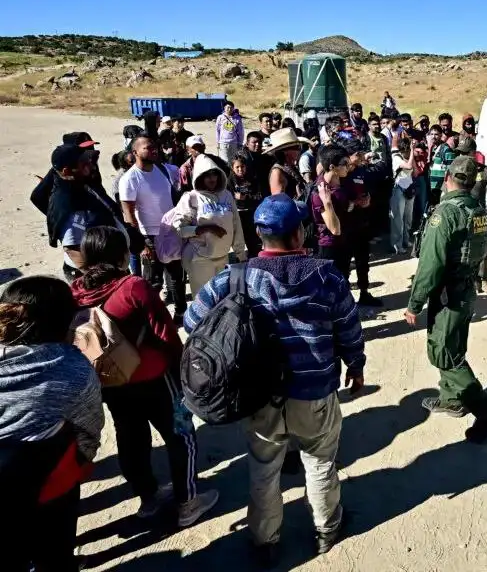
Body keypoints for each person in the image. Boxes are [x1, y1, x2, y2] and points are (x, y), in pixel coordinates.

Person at [184, 194, 366, 565]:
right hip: (314, 389)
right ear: (299, 233)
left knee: (264, 468)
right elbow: (348, 325)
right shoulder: (325, 274)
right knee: (319, 462)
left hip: (259, 394)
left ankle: (265, 540)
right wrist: (356, 365)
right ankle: (327, 529)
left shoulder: (236, 277)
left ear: (258, 235)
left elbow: (192, 322)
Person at [71, 226, 219, 527]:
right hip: (154, 378)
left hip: (111, 381)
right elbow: (165, 335)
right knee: (181, 436)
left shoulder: (75, 293)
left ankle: (148, 498)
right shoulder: (134, 286)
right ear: (121, 255)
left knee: (131, 439)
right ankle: (188, 502)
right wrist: (183, 373)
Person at [0, 276, 104, 572]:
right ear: (64, 323)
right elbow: (89, 431)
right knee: (55, 553)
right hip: (49, 483)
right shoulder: (73, 370)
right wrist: (83, 458)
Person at [404, 155, 487, 443]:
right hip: (465, 289)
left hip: (448, 293)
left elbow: (431, 264)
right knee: (454, 345)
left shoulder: (446, 213)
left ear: (448, 177)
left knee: (444, 353)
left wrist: (414, 303)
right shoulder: (477, 209)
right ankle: (452, 398)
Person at [120, 135, 187, 322]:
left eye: (154, 147)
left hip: (171, 232)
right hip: (149, 236)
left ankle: (181, 313)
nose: (153, 150)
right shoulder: (130, 178)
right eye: (147, 148)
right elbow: (129, 214)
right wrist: (141, 244)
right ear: (135, 152)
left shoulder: (162, 169)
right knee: (153, 282)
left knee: (176, 277)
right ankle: (152, 318)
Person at [46, 143, 132, 282]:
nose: (91, 167)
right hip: (93, 275)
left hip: (111, 268)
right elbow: (73, 248)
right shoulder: (68, 201)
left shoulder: (80, 187)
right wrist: (101, 279)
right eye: (84, 164)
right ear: (67, 171)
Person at [173, 155, 246, 298]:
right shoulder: (191, 197)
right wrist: (206, 229)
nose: (212, 179)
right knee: (203, 301)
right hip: (200, 259)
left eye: (215, 174)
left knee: (222, 300)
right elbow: (179, 229)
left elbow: (236, 225)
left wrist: (240, 253)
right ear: (199, 177)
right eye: (207, 175)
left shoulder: (227, 195)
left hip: (223, 256)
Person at [453, 137, 487, 293]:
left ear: (473, 153)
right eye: (459, 153)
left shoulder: (484, 170)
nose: (462, 156)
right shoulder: (454, 170)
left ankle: (483, 277)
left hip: (480, 216)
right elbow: (446, 191)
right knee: (464, 249)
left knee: (485, 247)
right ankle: (470, 279)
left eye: (465, 152)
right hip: (461, 216)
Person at [343, 141, 380, 306]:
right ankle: (344, 298)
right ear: (350, 155)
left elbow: (367, 187)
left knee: (363, 260)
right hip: (347, 224)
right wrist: (356, 202)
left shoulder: (361, 170)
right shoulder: (341, 173)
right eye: (358, 154)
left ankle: (364, 292)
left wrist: (368, 198)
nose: (361, 156)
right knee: (344, 263)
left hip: (363, 222)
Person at [310, 144, 353, 276]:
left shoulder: (339, 181)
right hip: (330, 247)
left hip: (344, 241)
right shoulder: (321, 193)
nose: (349, 166)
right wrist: (327, 202)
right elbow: (335, 229)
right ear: (332, 167)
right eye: (345, 164)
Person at [264, 128, 311, 200]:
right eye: (296, 147)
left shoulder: (291, 166)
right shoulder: (277, 172)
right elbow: (279, 202)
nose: (299, 150)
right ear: (286, 151)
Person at [389, 134, 416, 254]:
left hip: (409, 189)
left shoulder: (409, 156)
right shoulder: (396, 157)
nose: (407, 153)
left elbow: (415, 172)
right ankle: (397, 245)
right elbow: (409, 166)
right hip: (398, 189)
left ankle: (406, 240)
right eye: (407, 151)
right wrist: (412, 153)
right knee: (397, 219)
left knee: (408, 218)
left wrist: (412, 155)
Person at [231, 156, 264, 256]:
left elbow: (259, 195)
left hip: (251, 212)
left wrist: (246, 197)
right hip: (237, 213)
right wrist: (234, 196)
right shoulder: (230, 180)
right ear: (233, 168)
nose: (240, 169)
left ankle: (254, 256)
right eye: (237, 167)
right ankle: (240, 257)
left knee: (253, 238)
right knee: (239, 238)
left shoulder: (252, 178)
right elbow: (225, 196)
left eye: (242, 166)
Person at [428, 129, 456, 207]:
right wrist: (429, 149)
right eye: (432, 134)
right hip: (431, 185)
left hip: (441, 186)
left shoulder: (446, 149)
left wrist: (446, 186)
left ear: (441, 135)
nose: (433, 136)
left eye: (436, 134)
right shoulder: (430, 148)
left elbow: (451, 169)